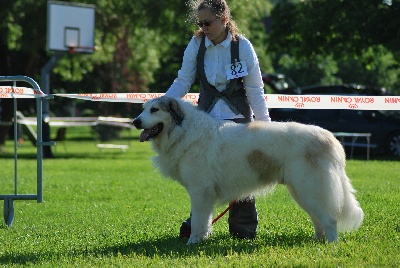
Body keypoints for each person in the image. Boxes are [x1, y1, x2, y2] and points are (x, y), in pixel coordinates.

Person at [164, 0, 271, 239]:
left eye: (207, 22)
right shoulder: (196, 44)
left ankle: (243, 230)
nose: (203, 28)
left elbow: (255, 90)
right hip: (205, 124)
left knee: (243, 175)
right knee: (202, 176)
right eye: (199, 23)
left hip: (239, 122)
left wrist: (265, 125)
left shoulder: (242, 46)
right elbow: (183, 80)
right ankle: (198, 227)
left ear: (223, 20)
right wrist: (163, 103)